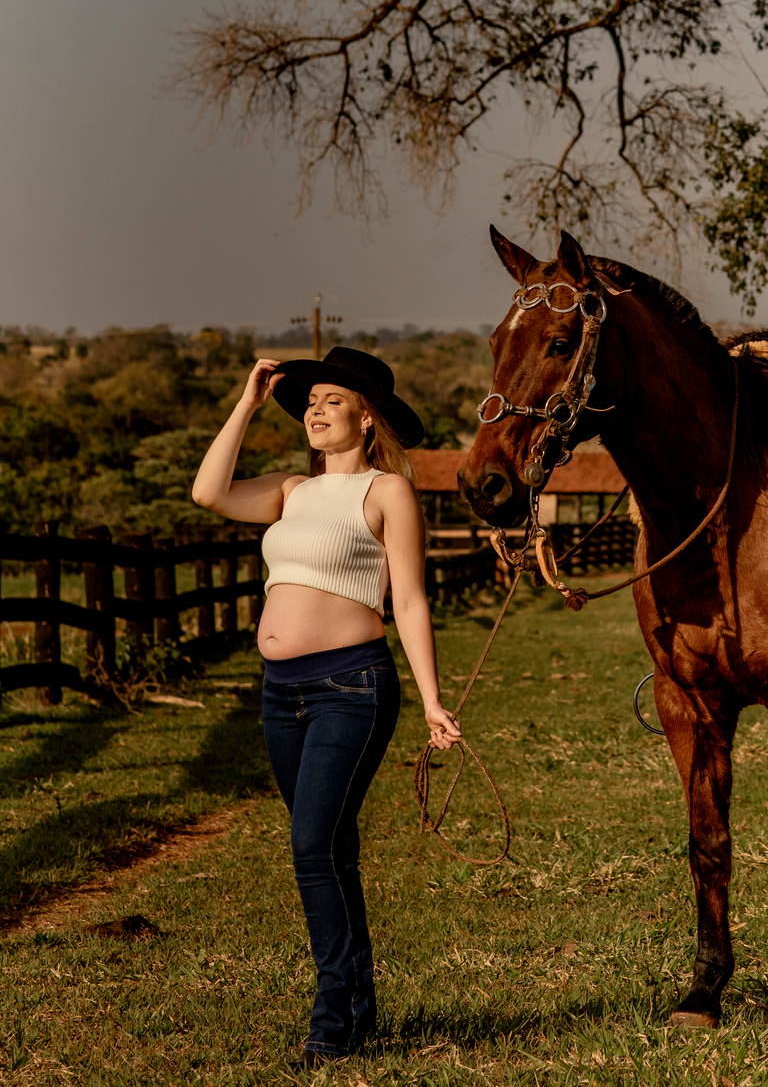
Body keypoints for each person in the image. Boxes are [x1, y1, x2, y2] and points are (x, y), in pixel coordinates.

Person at [192, 344, 460, 1069]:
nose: (315, 410)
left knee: (313, 846)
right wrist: (247, 402)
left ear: (367, 418)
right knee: (329, 852)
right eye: (309, 401)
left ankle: (333, 1024)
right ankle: (356, 1006)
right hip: (280, 694)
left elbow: (409, 599)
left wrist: (432, 700)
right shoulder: (290, 490)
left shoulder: (386, 490)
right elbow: (208, 493)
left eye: (332, 400)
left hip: (351, 688)